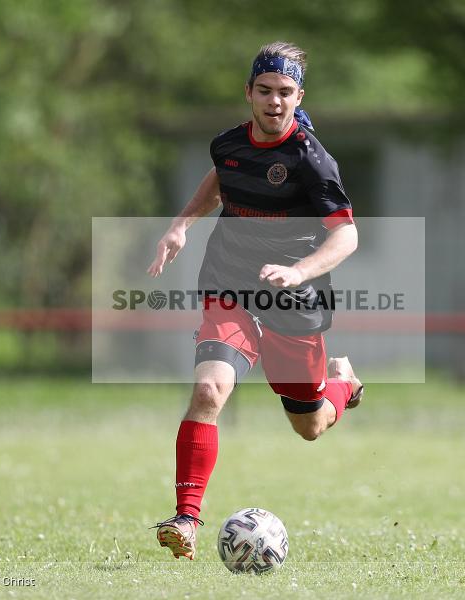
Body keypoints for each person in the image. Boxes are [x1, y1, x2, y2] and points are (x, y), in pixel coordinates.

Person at [147, 41, 363, 560]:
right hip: (230, 282)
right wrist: (180, 227)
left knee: (309, 426)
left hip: (294, 296)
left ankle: (343, 385)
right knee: (208, 392)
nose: (274, 101)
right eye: (264, 90)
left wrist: (298, 271)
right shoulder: (227, 145)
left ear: (298, 96)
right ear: (248, 93)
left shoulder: (312, 161)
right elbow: (220, 182)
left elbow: (347, 236)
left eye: (285, 92)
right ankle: (186, 519)